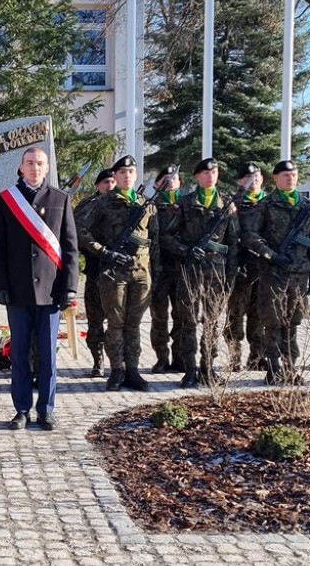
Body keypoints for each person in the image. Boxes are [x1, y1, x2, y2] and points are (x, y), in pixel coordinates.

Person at [0, 146, 79, 430]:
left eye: (39, 163)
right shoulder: (5, 200)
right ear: (21, 166)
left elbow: (70, 248)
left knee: (48, 356)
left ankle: (46, 409)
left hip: (51, 292)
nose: (34, 168)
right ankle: (22, 410)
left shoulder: (60, 198)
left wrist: (70, 288)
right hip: (17, 292)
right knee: (19, 355)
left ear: (47, 167)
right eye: (29, 163)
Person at [76, 154, 158, 393]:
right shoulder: (102, 202)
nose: (127, 176)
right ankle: (117, 371)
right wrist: (103, 252)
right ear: (115, 175)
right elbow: (79, 229)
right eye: (122, 172)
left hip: (141, 272)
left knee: (134, 324)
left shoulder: (147, 203)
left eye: (131, 172)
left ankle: (133, 370)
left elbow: (156, 241)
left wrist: (157, 271)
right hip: (113, 273)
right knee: (115, 323)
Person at [243, 159, 310, 385]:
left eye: (294, 174)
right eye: (285, 175)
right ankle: (274, 367)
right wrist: (271, 254)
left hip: (300, 274)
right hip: (274, 273)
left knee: (293, 322)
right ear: (275, 178)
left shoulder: (307, 207)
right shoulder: (266, 205)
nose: (291, 178)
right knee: (274, 321)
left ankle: (290, 367)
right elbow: (250, 235)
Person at [164, 158, 238, 388]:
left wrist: (231, 273)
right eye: (205, 172)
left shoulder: (227, 203)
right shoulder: (185, 203)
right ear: (197, 177)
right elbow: (167, 236)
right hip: (191, 272)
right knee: (188, 322)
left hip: (216, 272)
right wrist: (186, 250)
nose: (210, 175)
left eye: (214, 172)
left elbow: (234, 241)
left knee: (212, 322)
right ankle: (189, 370)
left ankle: (208, 367)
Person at [224, 162, 267, 371]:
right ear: (240, 181)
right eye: (248, 177)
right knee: (235, 316)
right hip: (240, 268)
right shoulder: (232, 205)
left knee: (259, 315)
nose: (254, 179)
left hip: (263, 268)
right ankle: (234, 358)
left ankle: (257, 357)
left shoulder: (269, 204)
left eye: (257, 176)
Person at [73, 167, 115, 377]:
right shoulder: (88, 205)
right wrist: (96, 250)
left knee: (119, 321)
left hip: (120, 271)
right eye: (106, 182)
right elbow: (75, 232)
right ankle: (98, 362)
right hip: (96, 269)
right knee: (95, 319)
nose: (110, 186)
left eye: (113, 182)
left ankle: (120, 363)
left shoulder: (126, 204)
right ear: (98, 185)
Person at [149, 164, 184, 374]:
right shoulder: (151, 206)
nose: (170, 182)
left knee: (181, 316)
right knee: (159, 317)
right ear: (157, 184)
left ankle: (179, 357)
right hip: (159, 268)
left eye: (174, 179)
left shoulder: (188, 204)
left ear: (180, 183)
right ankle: (161, 357)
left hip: (182, 270)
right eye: (165, 180)